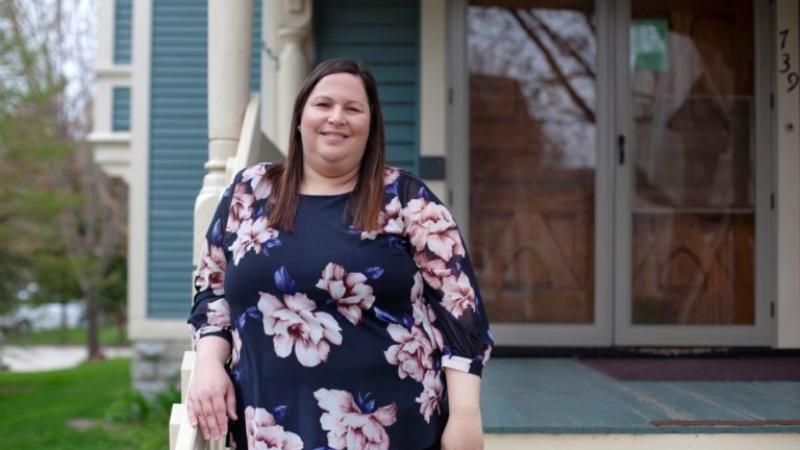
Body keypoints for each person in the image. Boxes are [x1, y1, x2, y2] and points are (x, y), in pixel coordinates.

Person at [187, 58, 494, 450]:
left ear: (371, 127)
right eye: (323, 105)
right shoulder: (250, 192)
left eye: (353, 109)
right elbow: (212, 292)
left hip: (396, 432)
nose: (337, 117)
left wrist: (466, 416)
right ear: (300, 118)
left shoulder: (406, 200)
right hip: (270, 431)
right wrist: (210, 362)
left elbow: (462, 314)